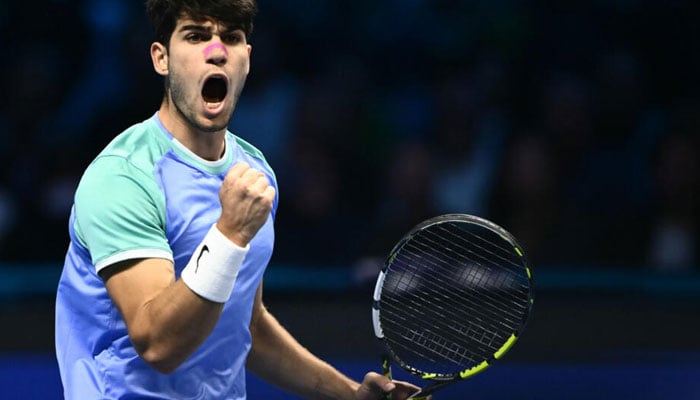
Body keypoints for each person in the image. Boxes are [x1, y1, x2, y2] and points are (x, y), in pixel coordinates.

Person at [54, 1, 424, 399]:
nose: (216, 51)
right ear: (161, 58)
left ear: (246, 59)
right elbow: (158, 345)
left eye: (231, 37)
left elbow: (245, 324)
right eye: (195, 36)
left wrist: (351, 394)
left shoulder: (255, 173)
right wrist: (229, 233)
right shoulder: (124, 176)